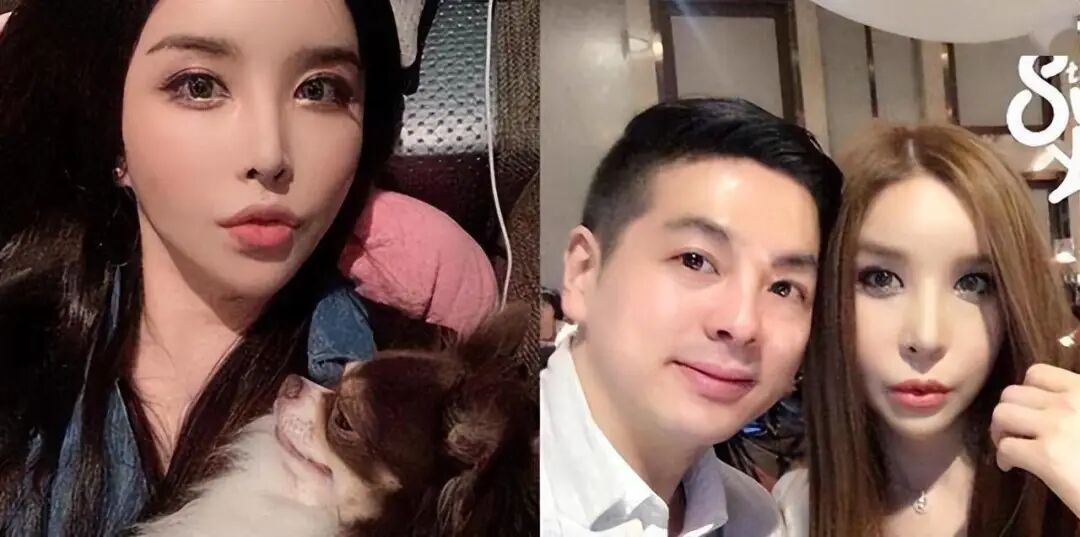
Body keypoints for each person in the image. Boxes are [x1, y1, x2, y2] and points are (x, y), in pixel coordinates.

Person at [0, 0, 440, 534]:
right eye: (200, 85)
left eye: (320, 89)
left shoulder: (440, 421)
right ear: (110, 129)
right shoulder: (18, 355)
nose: (270, 155)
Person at [540, 97, 843, 536]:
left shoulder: (753, 518)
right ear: (583, 272)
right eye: (695, 261)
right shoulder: (492, 493)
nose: (742, 324)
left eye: (784, 288)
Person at [788, 123, 1080, 537]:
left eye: (973, 283)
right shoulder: (792, 512)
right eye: (880, 279)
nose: (926, 338)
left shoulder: (1061, 488)